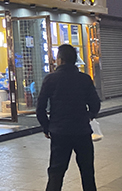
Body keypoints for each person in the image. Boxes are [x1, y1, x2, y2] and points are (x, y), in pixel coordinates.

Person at [36, 44, 101, 191]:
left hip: (59, 133)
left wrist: (47, 127)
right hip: (82, 132)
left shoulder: (50, 79)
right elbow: (95, 104)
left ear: (60, 60)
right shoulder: (84, 79)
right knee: (87, 172)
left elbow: (40, 108)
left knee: (56, 173)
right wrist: (88, 117)